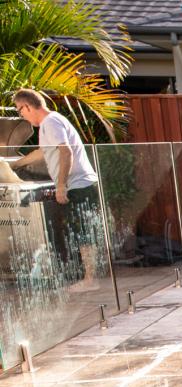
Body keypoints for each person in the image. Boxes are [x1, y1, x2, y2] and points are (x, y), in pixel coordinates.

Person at [8, 88, 101, 284]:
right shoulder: (50, 122)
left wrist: (60, 185)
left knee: (83, 233)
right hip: (79, 184)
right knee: (81, 232)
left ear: (27, 106)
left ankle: (90, 281)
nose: (21, 114)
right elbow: (43, 152)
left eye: (20, 110)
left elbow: (65, 152)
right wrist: (15, 164)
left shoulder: (50, 122)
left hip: (78, 184)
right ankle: (88, 278)